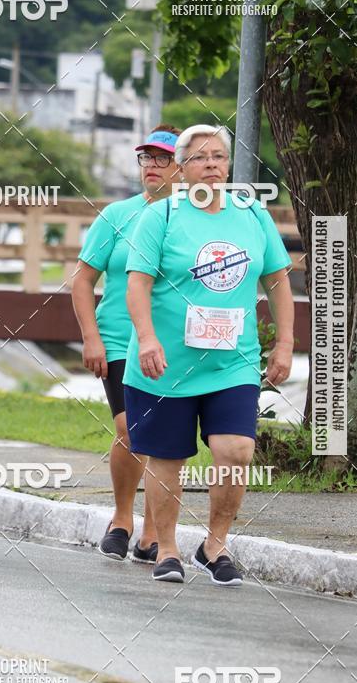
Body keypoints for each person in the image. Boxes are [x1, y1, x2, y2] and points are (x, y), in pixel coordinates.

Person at [124, 124, 294, 584]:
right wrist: (146, 338)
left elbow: (277, 279)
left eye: (219, 157)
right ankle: (167, 547)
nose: (212, 165)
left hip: (232, 361)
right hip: (168, 364)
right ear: (181, 168)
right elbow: (136, 283)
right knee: (167, 459)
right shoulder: (160, 217)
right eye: (200, 158)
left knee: (236, 450)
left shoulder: (251, 214)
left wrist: (284, 342)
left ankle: (214, 543)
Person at [72, 125, 181, 562]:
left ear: (183, 166)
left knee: (164, 438)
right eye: (146, 158)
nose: (152, 167)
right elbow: (82, 281)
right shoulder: (117, 216)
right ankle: (122, 516)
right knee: (129, 429)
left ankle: (154, 531)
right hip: (119, 340)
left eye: (162, 159)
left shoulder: (193, 219)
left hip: (173, 345)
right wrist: (90, 338)